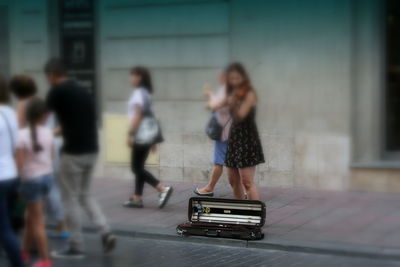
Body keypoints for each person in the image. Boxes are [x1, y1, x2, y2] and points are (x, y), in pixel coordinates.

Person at [44, 58, 116, 259]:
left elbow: (42, 119)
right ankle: (105, 231)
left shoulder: (57, 91)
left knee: (69, 199)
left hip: (73, 152)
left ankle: (75, 245)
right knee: (84, 194)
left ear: (51, 75)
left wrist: (40, 136)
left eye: (48, 78)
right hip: (91, 150)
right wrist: (54, 133)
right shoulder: (82, 90)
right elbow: (73, 124)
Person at [10, 75, 69, 239]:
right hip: (50, 145)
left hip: (33, 150)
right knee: (51, 188)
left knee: (33, 192)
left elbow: (19, 132)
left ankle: (34, 230)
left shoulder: (22, 106)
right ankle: (61, 226)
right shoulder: (41, 101)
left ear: (16, 92)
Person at [124, 66, 173, 209]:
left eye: (133, 75)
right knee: (139, 166)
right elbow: (151, 116)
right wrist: (154, 140)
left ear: (139, 77)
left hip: (140, 135)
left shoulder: (139, 94)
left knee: (136, 167)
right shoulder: (147, 93)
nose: (131, 78)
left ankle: (161, 188)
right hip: (148, 135)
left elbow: (138, 116)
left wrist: (130, 134)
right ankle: (137, 198)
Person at [16, 98, 53, 267]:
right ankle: (23, 253)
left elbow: (20, 164)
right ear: (43, 115)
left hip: (31, 180)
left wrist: (17, 183)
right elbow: (51, 157)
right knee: (30, 218)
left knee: (37, 221)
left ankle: (45, 260)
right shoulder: (49, 132)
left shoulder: (21, 135)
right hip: (47, 178)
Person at [224, 63, 265, 200]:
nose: (234, 81)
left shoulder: (249, 93)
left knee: (246, 181)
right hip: (235, 137)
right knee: (233, 180)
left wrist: (233, 104)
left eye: (237, 78)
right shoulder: (233, 93)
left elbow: (240, 116)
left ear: (243, 77)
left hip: (247, 139)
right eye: (231, 78)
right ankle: (239, 213)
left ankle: (253, 215)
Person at [194, 71, 232, 196]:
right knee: (232, 163)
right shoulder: (229, 90)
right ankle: (243, 190)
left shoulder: (227, 90)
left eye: (221, 75)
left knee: (219, 161)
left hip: (223, 132)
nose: (219, 77)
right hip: (229, 130)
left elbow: (216, 105)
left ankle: (210, 188)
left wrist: (210, 96)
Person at [0, 74, 24, 267]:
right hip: (10, 176)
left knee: (4, 229)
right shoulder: (10, 112)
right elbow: (17, 148)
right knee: (7, 225)